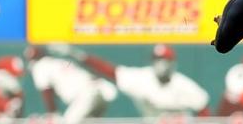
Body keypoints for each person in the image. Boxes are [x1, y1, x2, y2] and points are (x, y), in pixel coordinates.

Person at [59, 44, 210, 118]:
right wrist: (79, 55)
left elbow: (204, 112)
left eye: (165, 60)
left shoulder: (185, 85)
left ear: (173, 63)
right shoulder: (142, 78)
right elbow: (111, 72)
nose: (161, 64)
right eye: (157, 60)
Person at [27, 45, 119, 124]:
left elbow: (46, 90)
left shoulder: (40, 66)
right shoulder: (58, 62)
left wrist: (52, 113)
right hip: (99, 89)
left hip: (85, 95)